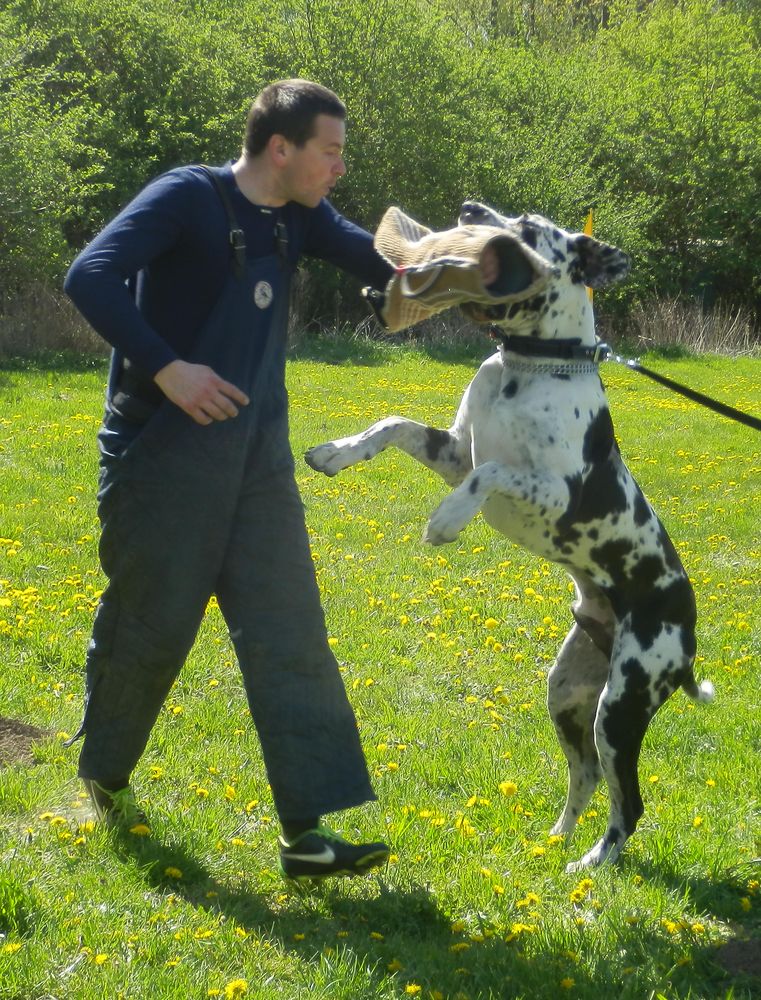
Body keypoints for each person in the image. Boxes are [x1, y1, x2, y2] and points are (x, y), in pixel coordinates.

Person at [63, 79, 395, 882]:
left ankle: (305, 836)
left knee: (289, 628)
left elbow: (385, 262)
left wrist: (489, 268)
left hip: (256, 459)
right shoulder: (188, 197)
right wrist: (168, 368)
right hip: (162, 455)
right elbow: (90, 275)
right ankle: (103, 776)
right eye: (329, 152)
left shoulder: (302, 216)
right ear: (280, 148)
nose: (339, 168)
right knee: (150, 627)